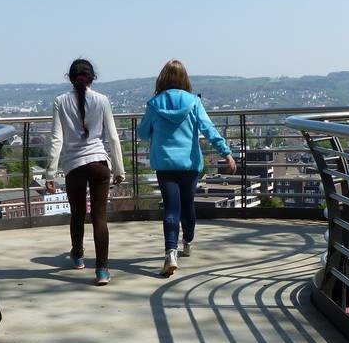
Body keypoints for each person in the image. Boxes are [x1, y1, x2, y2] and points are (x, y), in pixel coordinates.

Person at [137, 59, 236, 276]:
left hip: (164, 164)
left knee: (171, 208)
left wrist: (156, 130)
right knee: (188, 205)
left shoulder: (154, 104)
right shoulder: (194, 102)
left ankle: (170, 252)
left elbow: (142, 133)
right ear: (185, 79)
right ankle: (187, 241)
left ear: (162, 78)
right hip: (190, 165)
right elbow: (209, 129)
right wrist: (226, 153)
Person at [45, 59, 125, 286]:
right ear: (92, 78)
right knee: (100, 218)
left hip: (74, 165)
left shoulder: (60, 101)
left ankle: (78, 255)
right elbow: (113, 137)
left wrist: (50, 174)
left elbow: (56, 139)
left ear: (70, 78)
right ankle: (102, 269)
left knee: (78, 213)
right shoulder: (102, 100)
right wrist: (119, 168)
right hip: (99, 163)